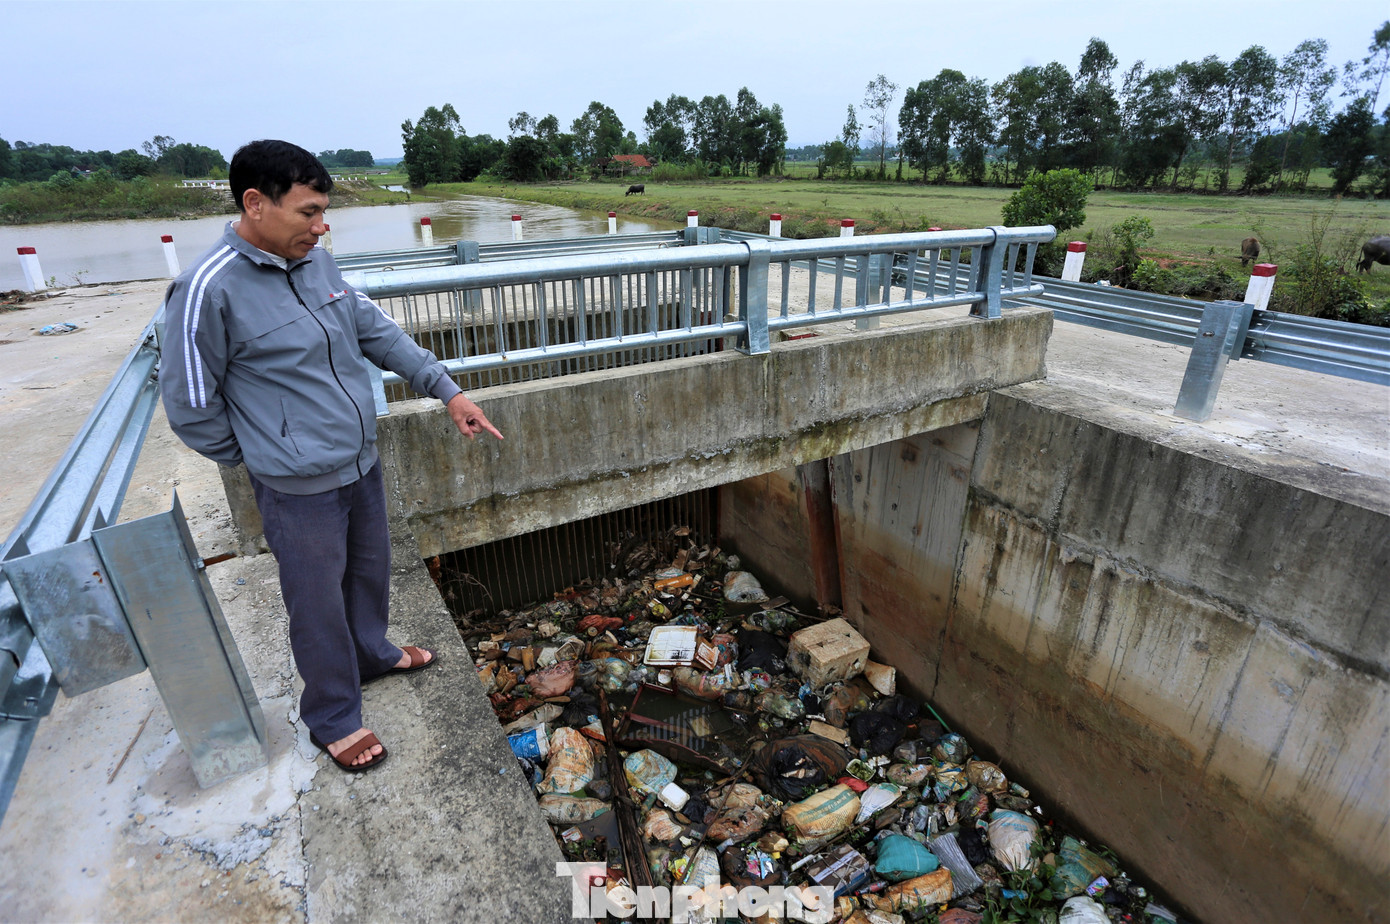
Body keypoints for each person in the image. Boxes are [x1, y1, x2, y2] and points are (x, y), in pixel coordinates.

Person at [160, 140, 501, 772]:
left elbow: (374, 331)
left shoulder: (316, 263)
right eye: (308, 212)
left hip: (359, 461)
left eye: (324, 213)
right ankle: (334, 715)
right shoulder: (206, 289)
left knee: (369, 572)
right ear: (255, 203)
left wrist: (447, 390)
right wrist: (271, 452)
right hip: (295, 486)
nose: (321, 227)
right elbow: (190, 406)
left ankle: (371, 654)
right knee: (315, 604)